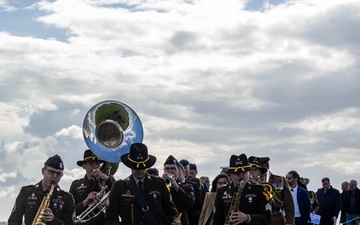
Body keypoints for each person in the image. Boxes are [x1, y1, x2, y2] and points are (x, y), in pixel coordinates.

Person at [104, 143, 181, 225]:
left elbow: (172, 211)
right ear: (130, 166)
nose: (140, 171)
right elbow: (110, 218)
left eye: (142, 168)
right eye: (136, 168)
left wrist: (175, 220)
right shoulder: (119, 187)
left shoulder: (159, 184)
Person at [8, 154, 75, 225]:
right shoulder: (26, 192)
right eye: (51, 172)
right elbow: (14, 221)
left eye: (58, 174)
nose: (55, 176)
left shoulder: (67, 198)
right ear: (43, 171)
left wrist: (54, 219)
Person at [213, 153, 272, 225]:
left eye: (243, 173)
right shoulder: (222, 191)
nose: (240, 176)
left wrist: (248, 218)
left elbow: (267, 217)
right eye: (236, 173)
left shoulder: (260, 190)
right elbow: (217, 219)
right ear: (230, 175)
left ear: (248, 173)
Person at [69, 149, 115, 225]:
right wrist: (85, 201)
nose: (95, 167)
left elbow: (119, 193)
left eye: (97, 163)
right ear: (84, 166)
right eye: (91, 163)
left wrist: (107, 179)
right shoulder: (76, 185)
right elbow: (70, 211)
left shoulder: (108, 180)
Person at [260, 157, 295, 225]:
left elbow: (289, 202)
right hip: (260, 218)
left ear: (266, 167)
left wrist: (290, 222)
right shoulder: (253, 181)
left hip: (276, 218)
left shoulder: (279, 180)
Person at [163, 155, 195, 225]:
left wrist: (176, 186)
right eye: (167, 168)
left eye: (173, 168)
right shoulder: (158, 185)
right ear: (164, 170)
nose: (170, 171)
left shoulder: (186, 186)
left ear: (178, 171)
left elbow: (190, 203)